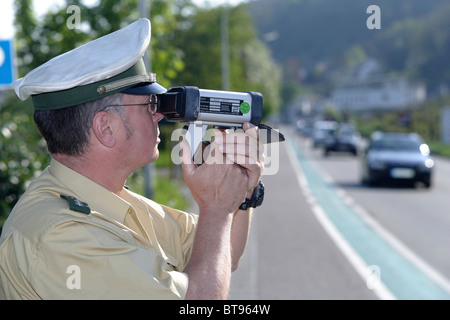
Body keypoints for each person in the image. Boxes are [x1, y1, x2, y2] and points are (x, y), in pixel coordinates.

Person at [0, 18, 264, 299]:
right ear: (106, 128)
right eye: (149, 103)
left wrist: (241, 191)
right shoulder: (61, 235)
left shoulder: (110, 202)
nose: (159, 114)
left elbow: (223, 254)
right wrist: (217, 208)